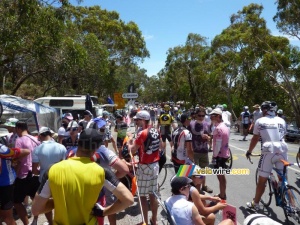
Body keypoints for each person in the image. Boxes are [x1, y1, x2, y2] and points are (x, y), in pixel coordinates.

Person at [31, 128, 134, 225]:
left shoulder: (52, 170)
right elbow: (128, 200)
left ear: (79, 142)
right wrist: (104, 212)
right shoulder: (101, 172)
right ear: (97, 148)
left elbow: (36, 209)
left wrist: (58, 201)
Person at [246, 101, 287, 211]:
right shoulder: (282, 121)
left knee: (262, 181)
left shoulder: (260, 121)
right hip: (283, 150)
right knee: (283, 177)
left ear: (264, 110)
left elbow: (255, 138)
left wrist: (249, 151)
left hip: (268, 152)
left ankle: (255, 203)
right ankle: (286, 195)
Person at [128, 110, 160, 225]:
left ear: (143, 120)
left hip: (145, 166)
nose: (136, 122)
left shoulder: (143, 133)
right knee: (153, 193)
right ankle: (154, 220)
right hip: (155, 164)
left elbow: (132, 150)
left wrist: (130, 142)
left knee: (142, 196)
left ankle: (145, 222)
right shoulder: (156, 130)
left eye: (137, 120)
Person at [31, 127, 67, 225]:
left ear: (41, 136)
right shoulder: (61, 147)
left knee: (45, 202)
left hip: (43, 180)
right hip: (60, 179)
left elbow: (34, 170)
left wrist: (41, 172)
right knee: (59, 202)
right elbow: (64, 165)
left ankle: (50, 222)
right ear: (50, 135)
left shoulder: (37, 150)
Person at [13, 121, 41, 225]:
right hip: (35, 173)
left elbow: (19, 160)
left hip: (23, 175)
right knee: (36, 199)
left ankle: (26, 223)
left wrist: (15, 174)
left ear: (18, 129)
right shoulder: (35, 139)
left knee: (16, 201)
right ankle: (35, 220)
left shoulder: (19, 140)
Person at [0, 144, 30, 225]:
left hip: (5, 186)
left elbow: (26, 151)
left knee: (7, 217)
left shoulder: (2, 149)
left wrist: (14, 159)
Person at [188, 108, 213, 193]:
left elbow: (210, 137)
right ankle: (192, 188)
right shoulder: (191, 124)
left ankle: (204, 186)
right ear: (195, 115)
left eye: (203, 115)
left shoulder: (207, 124)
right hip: (194, 151)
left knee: (204, 170)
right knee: (193, 170)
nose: (201, 117)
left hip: (204, 151)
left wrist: (208, 138)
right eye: (199, 115)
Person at [210, 108, 230, 200]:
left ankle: (222, 195)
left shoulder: (218, 128)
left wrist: (214, 157)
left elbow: (217, 145)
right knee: (222, 176)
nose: (211, 118)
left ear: (218, 116)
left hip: (220, 156)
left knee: (220, 177)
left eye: (213, 116)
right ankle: (223, 193)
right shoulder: (225, 126)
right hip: (224, 154)